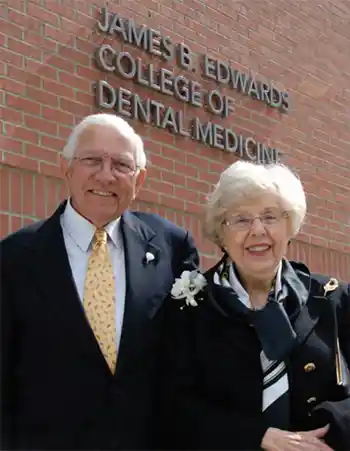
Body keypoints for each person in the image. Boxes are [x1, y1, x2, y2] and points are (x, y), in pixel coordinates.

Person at [0, 113, 199, 450]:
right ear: (67, 168)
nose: (106, 175)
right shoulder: (13, 258)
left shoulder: (172, 247)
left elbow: (191, 358)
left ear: (140, 179)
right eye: (91, 160)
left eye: (122, 165)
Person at [161, 161, 350, 451]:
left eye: (270, 216)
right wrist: (257, 437)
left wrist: (330, 430)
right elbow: (173, 406)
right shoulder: (190, 309)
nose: (258, 230)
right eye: (241, 219)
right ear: (221, 234)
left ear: (290, 225)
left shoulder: (333, 300)